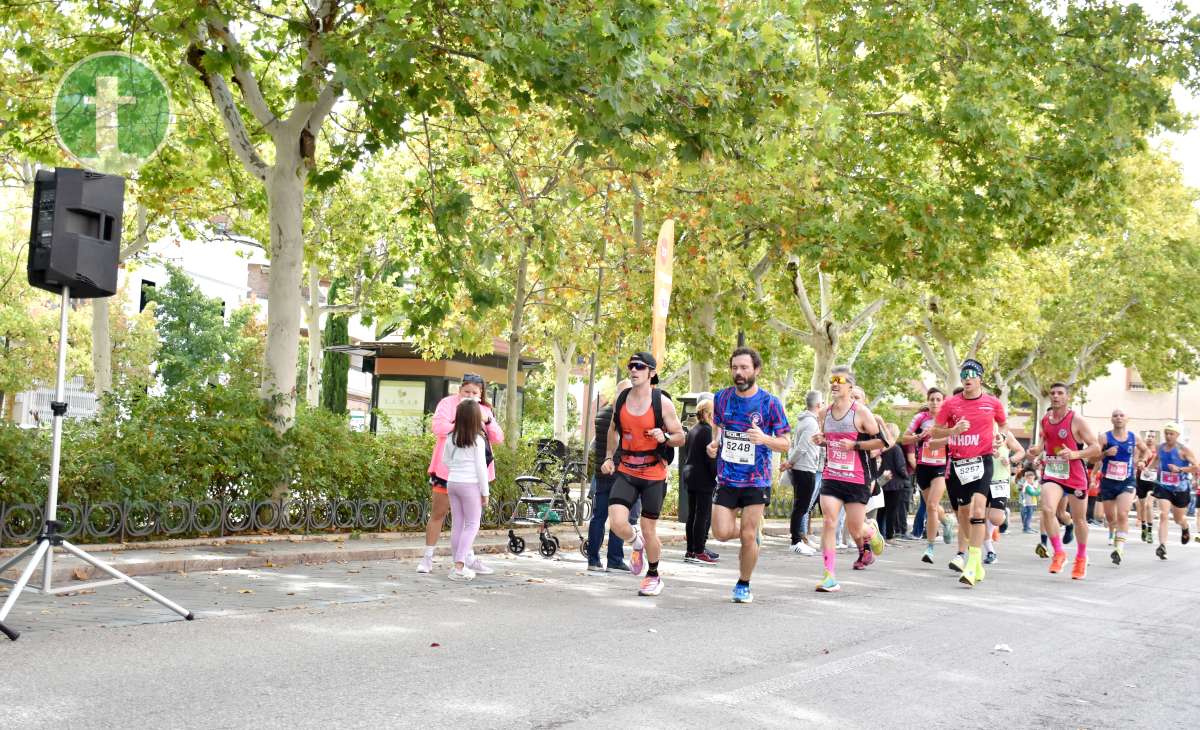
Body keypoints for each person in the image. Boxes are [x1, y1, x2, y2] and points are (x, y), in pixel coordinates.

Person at [706, 347, 792, 603]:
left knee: (747, 534)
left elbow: (786, 442)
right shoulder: (721, 398)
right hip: (728, 477)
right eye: (734, 368)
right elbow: (719, 429)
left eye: (744, 368)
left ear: (756, 370)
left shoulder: (770, 403)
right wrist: (714, 445)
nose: (738, 373)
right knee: (721, 533)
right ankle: (752, 535)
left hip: (757, 478)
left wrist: (765, 438)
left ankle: (743, 583)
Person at [600, 352, 686, 597]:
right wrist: (608, 456)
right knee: (616, 522)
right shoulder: (622, 399)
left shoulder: (662, 403)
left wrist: (666, 437)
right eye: (630, 366)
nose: (633, 370)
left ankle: (653, 575)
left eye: (639, 367)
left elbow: (681, 436)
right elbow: (613, 429)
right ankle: (634, 541)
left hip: (653, 473)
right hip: (626, 468)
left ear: (651, 373)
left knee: (650, 530)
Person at [930, 359, 1008, 587]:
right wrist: (953, 430)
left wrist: (1001, 437)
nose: (967, 378)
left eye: (972, 374)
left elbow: (1003, 425)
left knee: (977, 508)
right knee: (963, 514)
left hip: (982, 461)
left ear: (980, 378)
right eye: (964, 374)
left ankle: (973, 564)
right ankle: (976, 562)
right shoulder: (950, 404)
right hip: (957, 464)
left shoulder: (992, 403)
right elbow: (934, 433)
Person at [810, 365, 887, 593]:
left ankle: (870, 530)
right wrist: (821, 440)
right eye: (832, 379)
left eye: (839, 380)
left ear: (850, 386)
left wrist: (855, 445)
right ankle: (829, 575)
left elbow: (881, 442)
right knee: (828, 522)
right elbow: (829, 438)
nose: (834, 383)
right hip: (832, 475)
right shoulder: (824, 413)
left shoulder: (861, 413)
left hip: (856, 479)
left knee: (856, 528)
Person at [419, 373, 504, 575]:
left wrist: (488, 420)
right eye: (467, 391)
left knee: (465, 520)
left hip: (474, 475)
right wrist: (467, 423)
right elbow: (438, 427)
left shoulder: (485, 410)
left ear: (481, 393)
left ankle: (467, 559)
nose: (471, 395)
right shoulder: (448, 404)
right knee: (439, 513)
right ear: (459, 390)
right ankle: (428, 558)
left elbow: (498, 437)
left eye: (475, 392)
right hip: (447, 472)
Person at [1025, 382, 1100, 580]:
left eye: (1060, 393)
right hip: (1053, 472)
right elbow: (1043, 444)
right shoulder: (1045, 420)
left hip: (1075, 474)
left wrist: (1075, 453)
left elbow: (1096, 448)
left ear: (1067, 397)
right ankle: (1059, 553)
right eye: (1053, 393)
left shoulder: (1077, 420)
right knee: (1048, 509)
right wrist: (1035, 450)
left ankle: (1081, 557)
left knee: (1079, 519)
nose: (1056, 396)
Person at [586, 380, 638, 573]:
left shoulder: (602, 412)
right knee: (619, 516)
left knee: (598, 517)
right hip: (619, 472)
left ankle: (593, 559)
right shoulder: (622, 416)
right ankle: (615, 558)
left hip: (602, 473)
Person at [441, 399, 492, 581]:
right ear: (474, 419)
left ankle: (457, 564)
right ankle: (459, 566)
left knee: (457, 524)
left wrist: (457, 468)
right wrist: (485, 493)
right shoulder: (477, 440)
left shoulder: (450, 437)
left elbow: (445, 461)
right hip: (470, 485)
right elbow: (481, 469)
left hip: (452, 482)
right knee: (472, 525)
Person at [902, 388, 953, 564]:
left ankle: (930, 547)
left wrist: (943, 438)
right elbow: (904, 439)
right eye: (932, 399)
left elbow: (956, 438)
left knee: (931, 505)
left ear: (943, 402)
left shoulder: (949, 419)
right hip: (923, 466)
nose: (935, 402)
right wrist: (919, 437)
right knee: (934, 505)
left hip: (941, 466)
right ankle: (947, 522)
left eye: (939, 399)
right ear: (928, 401)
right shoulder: (920, 418)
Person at [1097, 409, 1150, 565]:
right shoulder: (1104, 437)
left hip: (1127, 480)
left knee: (1123, 513)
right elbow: (1092, 457)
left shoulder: (1134, 437)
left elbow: (1146, 451)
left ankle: (1119, 549)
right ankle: (1115, 536)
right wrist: (1105, 453)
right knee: (1111, 519)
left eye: (1121, 415)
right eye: (1115, 415)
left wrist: (1142, 461)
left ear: (1127, 419)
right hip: (1108, 482)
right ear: (1111, 419)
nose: (1118, 418)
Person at [1145, 422, 1196, 560]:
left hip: (1181, 488)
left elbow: (1196, 467)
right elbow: (1156, 459)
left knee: (1178, 518)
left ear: (1177, 435)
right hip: (1164, 485)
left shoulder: (1184, 450)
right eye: (1166, 433)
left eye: (1171, 433)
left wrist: (1180, 469)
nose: (1168, 436)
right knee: (1163, 514)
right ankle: (1162, 546)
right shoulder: (1160, 447)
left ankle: (1185, 526)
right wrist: (1148, 468)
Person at [784, 390, 824, 556]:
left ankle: (797, 539)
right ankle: (796, 541)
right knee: (802, 506)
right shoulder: (811, 423)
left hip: (802, 466)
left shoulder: (805, 420)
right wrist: (790, 462)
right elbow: (802, 446)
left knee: (800, 505)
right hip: (804, 468)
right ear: (818, 405)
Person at [682, 395, 719, 564]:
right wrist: (717, 474)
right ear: (707, 414)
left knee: (692, 514)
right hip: (703, 477)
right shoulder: (706, 431)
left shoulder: (694, 429)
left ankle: (691, 550)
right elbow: (710, 458)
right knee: (702, 515)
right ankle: (698, 551)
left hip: (691, 475)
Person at [984, 427, 1025, 564]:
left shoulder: (1005, 433)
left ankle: (1002, 515)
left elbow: (1021, 451)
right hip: (982, 480)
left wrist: (1010, 459)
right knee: (981, 519)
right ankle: (990, 551)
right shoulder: (979, 430)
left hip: (1000, 480)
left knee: (995, 519)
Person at [879, 424, 910, 541]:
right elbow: (900, 466)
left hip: (882, 482)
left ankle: (880, 534)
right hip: (895, 484)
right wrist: (906, 476)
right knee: (892, 511)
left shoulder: (880, 448)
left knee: (881, 511)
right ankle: (889, 535)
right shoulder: (896, 448)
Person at [1136, 431, 1160, 543]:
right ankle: (1143, 528)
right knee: (1142, 505)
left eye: (1152, 437)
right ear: (1145, 438)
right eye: (1148, 436)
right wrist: (1140, 463)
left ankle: (1150, 532)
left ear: (1155, 439)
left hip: (1153, 480)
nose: (1150, 438)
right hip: (1141, 479)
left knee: (1148, 504)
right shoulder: (1141, 449)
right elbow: (1134, 460)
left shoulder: (1158, 450)